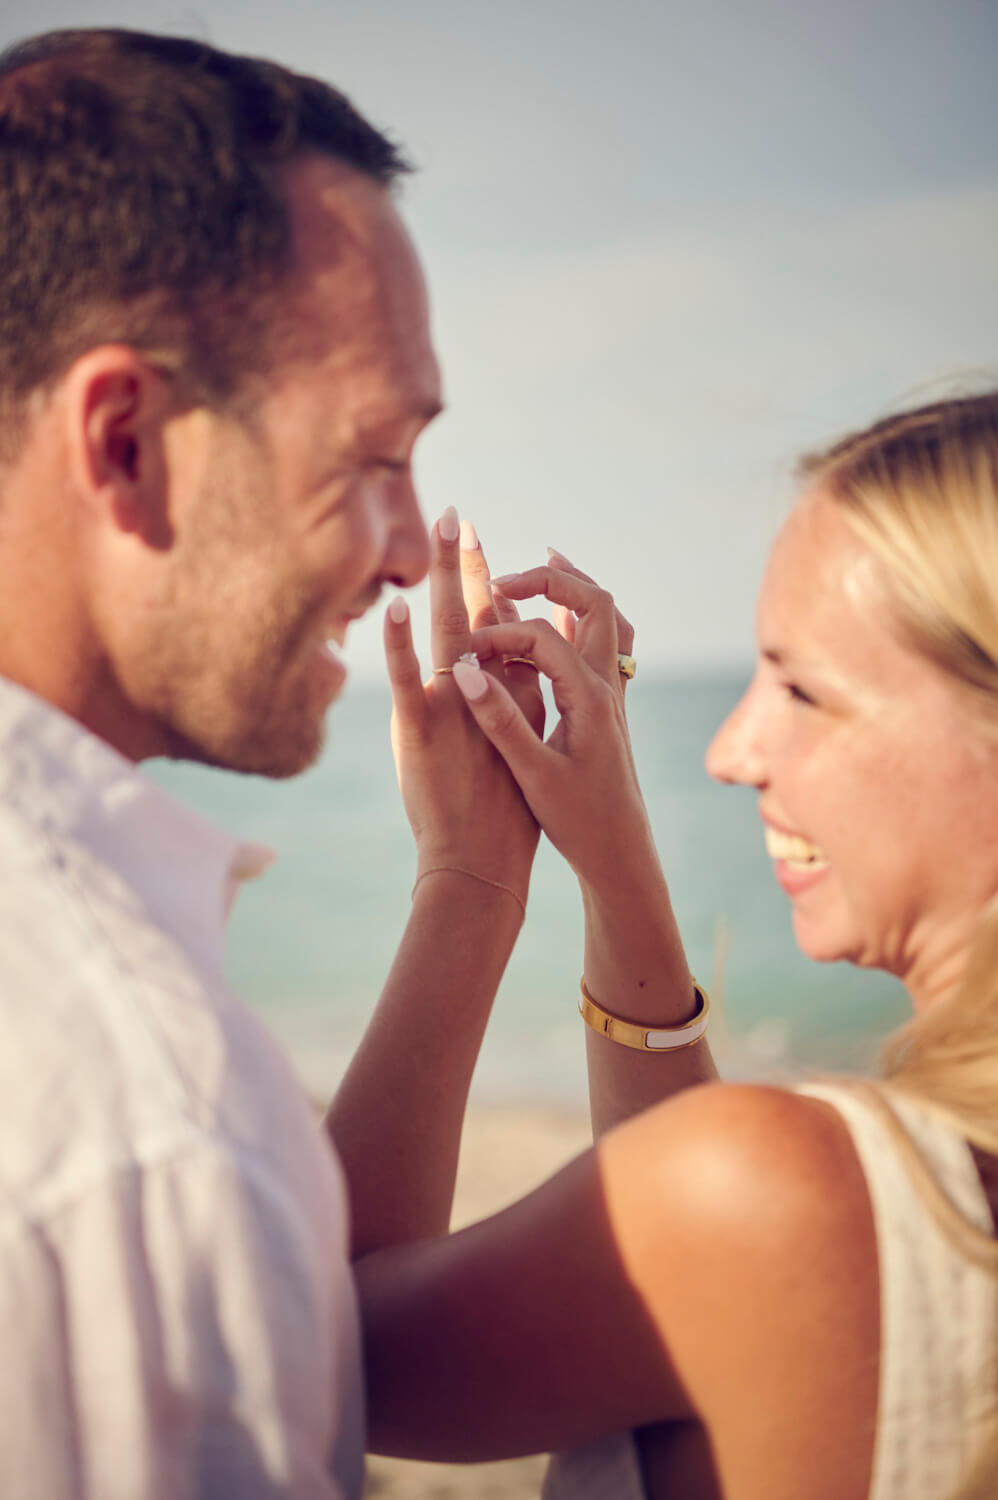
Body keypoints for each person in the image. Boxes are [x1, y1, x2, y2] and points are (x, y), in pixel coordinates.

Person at [353, 392, 998, 1500]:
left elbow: (309, 1337)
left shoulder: (795, 1196)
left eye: (800, 688)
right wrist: (617, 870)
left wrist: (468, 881)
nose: (730, 751)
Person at [0, 24, 461, 1498]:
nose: (409, 553)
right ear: (126, 443)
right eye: (374, 457)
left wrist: (469, 883)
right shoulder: (145, 1120)